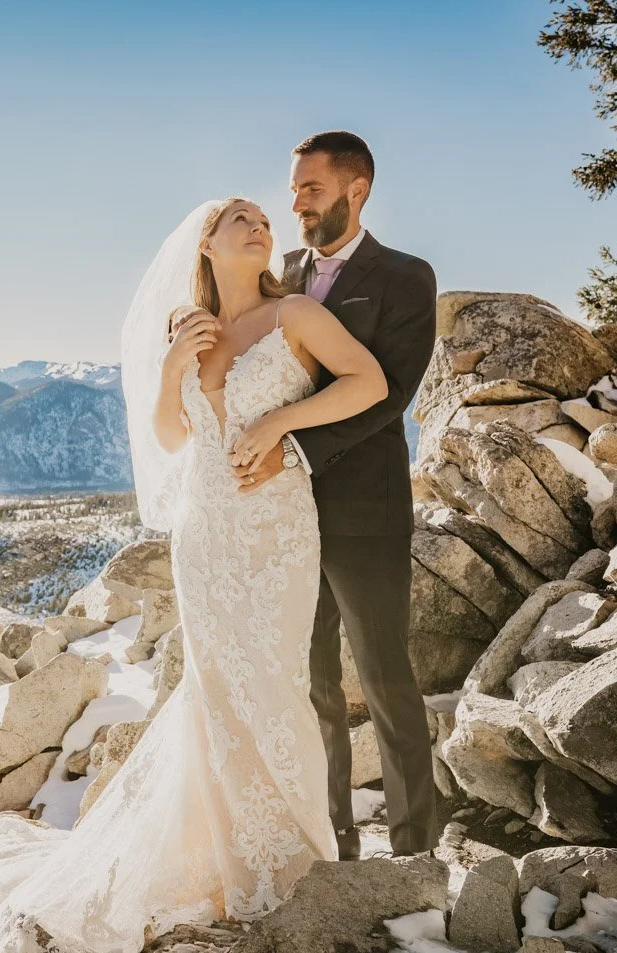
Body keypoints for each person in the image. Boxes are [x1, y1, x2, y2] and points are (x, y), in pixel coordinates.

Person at [0, 195, 389, 953]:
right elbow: (173, 438)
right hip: (205, 533)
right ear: (207, 245)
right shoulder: (190, 331)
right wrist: (176, 367)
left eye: (263, 219)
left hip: (278, 527)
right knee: (217, 692)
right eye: (239, 219)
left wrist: (283, 421)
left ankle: (297, 858)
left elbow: (368, 382)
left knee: (275, 682)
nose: (260, 226)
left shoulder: (295, 315)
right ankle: (231, 862)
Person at [216, 131, 440, 859]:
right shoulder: (280, 274)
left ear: (356, 189)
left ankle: (413, 850)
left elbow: (390, 392)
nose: (297, 205)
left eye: (310, 189)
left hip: (364, 509)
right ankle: (333, 839)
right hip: (282, 515)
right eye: (294, 191)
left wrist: (294, 451)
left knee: (383, 677)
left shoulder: (405, 276)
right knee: (311, 684)